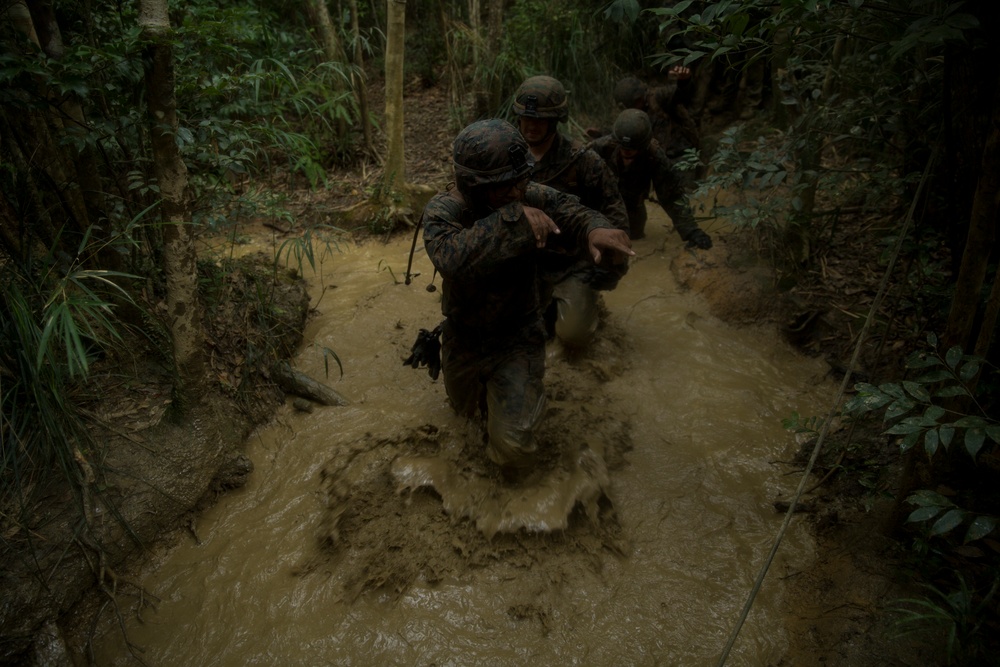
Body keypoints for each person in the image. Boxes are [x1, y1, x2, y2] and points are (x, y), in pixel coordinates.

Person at [421, 119, 633, 471]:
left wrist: (596, 230)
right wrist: (514, 221)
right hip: (463, 338)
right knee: (463, 418)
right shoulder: (445, 211)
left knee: (515, 452)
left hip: (517, 338)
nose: (519, 190)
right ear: (473, 185)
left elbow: (571, 211)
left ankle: (519, 402)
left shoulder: (526, 194)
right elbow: (452, 258)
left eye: (522, 180)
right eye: (506, 185)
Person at [511, 75, 630, 348]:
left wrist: (611, 268)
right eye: (526, 118)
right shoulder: (504, 156)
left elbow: (614, 216)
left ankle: (583, 304)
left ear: (555, 120)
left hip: (571, 264)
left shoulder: (582, 160)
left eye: (540, 119)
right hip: (520, 263)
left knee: (575, 338)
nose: (531, 125)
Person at [590, 108, 712, 248]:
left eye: (632, 148)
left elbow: (671, 196)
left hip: (633, 207)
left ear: (643, 145)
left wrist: (692, 231)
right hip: (602, 203)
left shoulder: (655, 157)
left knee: (633, 240)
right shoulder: (600, 148)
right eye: (623, 147)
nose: (626, 151)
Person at [613, 69, 700, 162]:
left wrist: (684, 82)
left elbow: (678, 93)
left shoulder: (658, 97)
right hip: (659, 157)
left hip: (680, 152)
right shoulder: (635, 113)